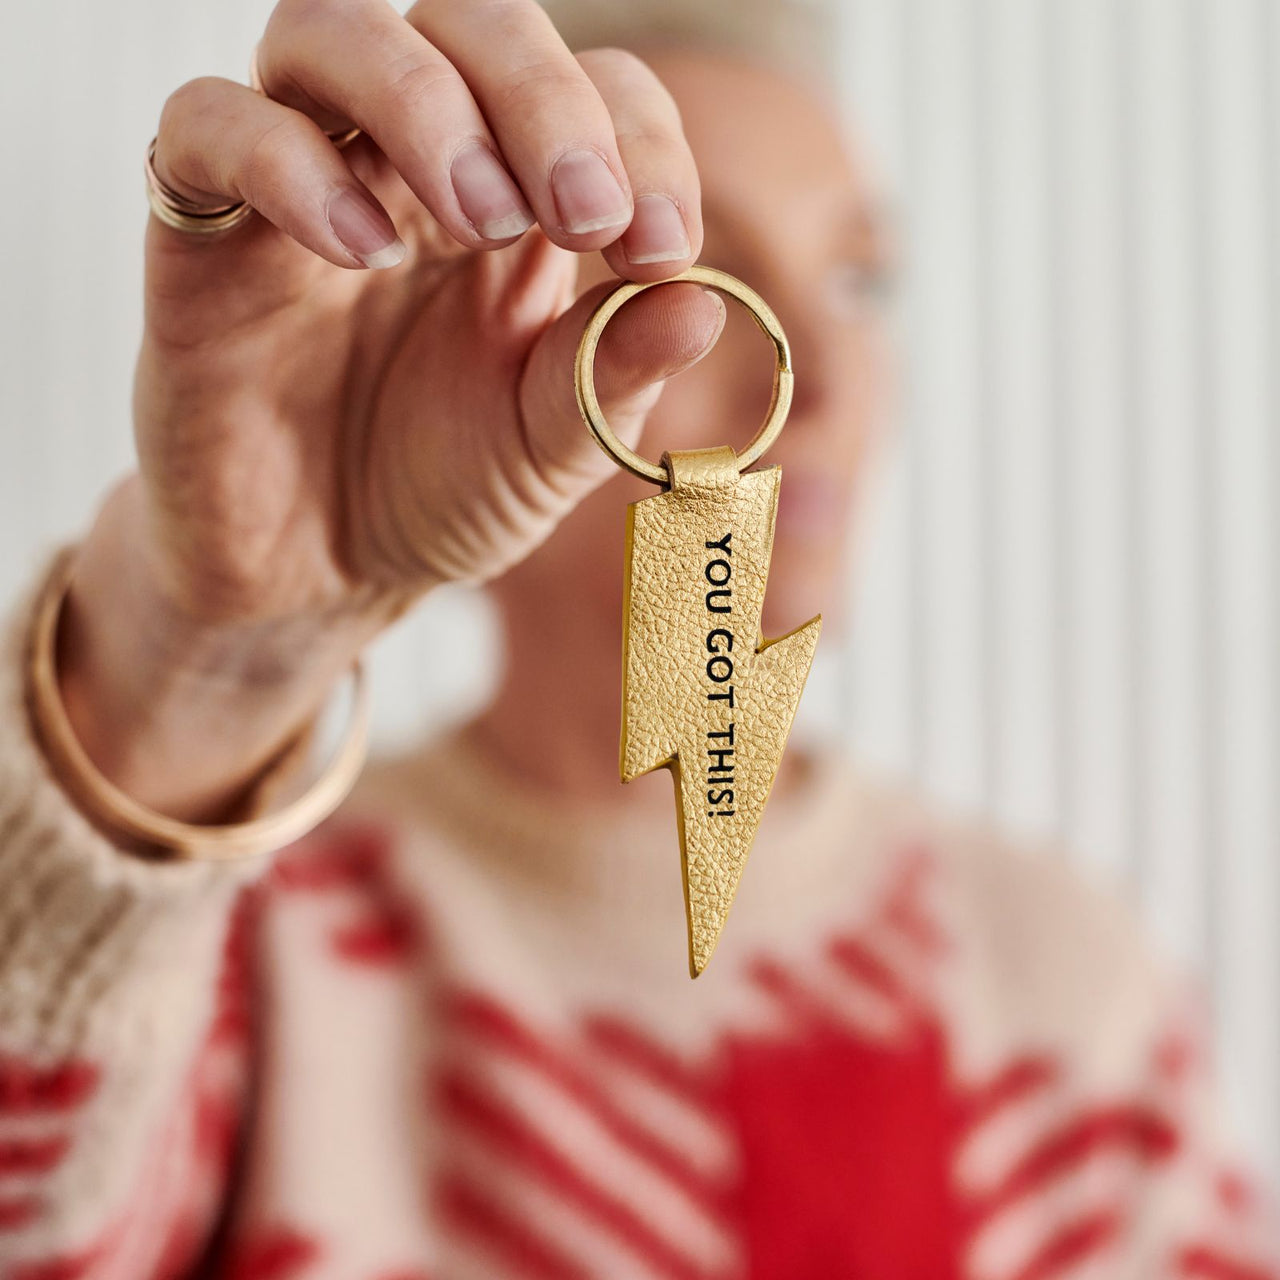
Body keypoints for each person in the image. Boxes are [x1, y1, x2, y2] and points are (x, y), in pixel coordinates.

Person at [0, 1, 1274, 1276]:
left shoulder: (1064, 984)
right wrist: (212, 658)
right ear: (468, 332)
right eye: (705, 271)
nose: (822, 381)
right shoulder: (228, 952)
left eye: (859, 279)